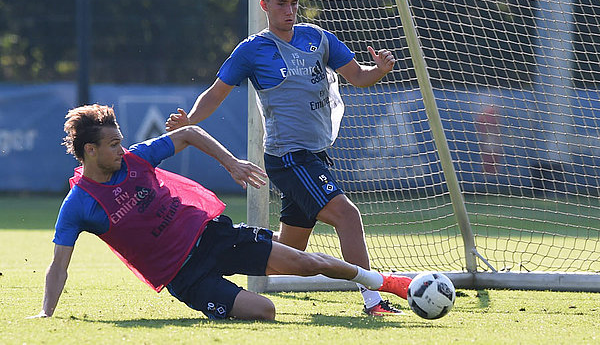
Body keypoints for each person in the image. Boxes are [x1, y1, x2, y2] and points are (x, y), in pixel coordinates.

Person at [29, 104, 411, 321]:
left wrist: (232, 163)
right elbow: (59, 265)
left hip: (213, 236)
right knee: (265, 311)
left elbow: (190, 133)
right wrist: (47, 315)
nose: (121, 149)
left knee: (307, 262)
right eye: (112, 145)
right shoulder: (79, 204)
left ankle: (382, 283)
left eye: (121, 142)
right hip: (185, 276)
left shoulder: (136, 158)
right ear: (90, 151)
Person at [166, 0, 400, 315]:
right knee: (347, 216)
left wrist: (379, 69)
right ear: (265, 6)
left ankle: (213, 254)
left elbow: (359, 76)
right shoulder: (252, 50)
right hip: (290, 158)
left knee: (290, 251)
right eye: (281, 4)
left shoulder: (318, 38)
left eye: (294, 4)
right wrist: (190, 122)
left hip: (315, 156)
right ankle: (374, 301)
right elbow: (215, 94)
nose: (289, 11)